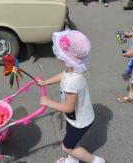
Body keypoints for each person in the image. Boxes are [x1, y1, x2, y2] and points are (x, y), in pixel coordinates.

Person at [38, 30, 105, 163]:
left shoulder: (71, 82)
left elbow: (68, 108)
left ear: (65, 56)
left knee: (67, 147)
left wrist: (48, 102)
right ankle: (73, 160)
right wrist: (45, 82)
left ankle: (96, 161)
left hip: (79, 122)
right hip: (78, 118)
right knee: (73, 141)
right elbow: (63, 75)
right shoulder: (72, 70)